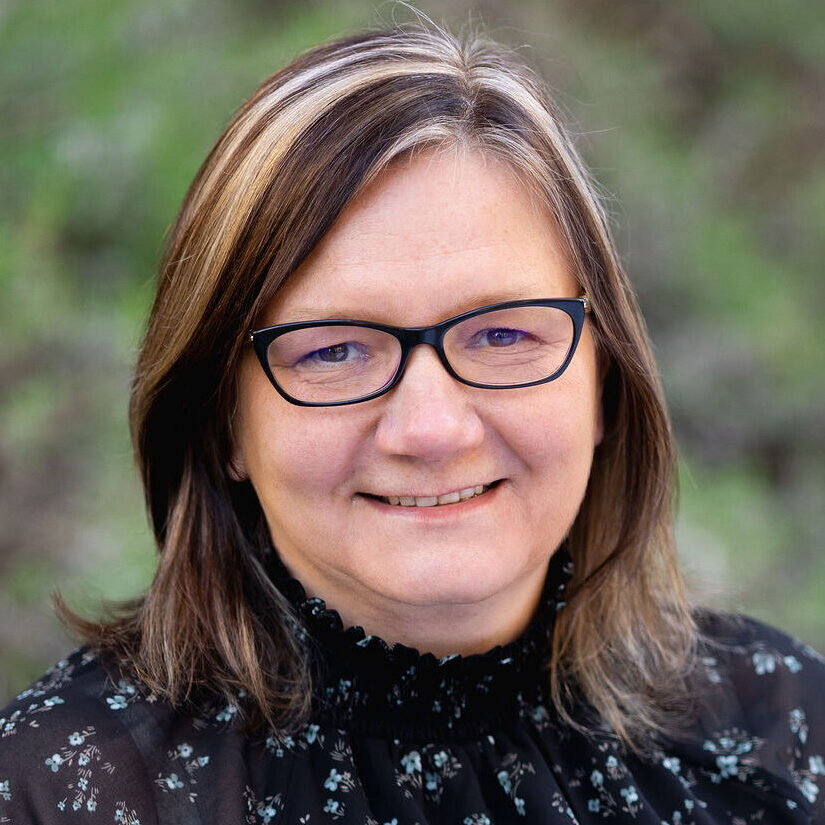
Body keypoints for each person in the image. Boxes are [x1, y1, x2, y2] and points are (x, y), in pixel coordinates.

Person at [1, 22, 823, 825]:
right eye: (333, 351)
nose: (431, 429)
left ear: (602, 379)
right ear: (224, 422)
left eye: (502, 333)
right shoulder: (61, 789)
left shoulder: (784, 729)